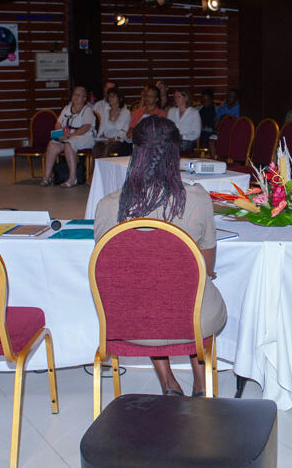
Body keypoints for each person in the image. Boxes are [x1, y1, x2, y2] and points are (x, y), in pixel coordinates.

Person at [92, 117, 226, 397]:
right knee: (189, 289)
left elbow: (110, 273)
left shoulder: (108, 207)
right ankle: (201, 384)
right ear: (175, 153)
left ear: (136, 152)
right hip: (190, 320)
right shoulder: (197, 200)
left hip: (129, 321)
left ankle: (168, 383)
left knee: (146, 291)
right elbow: (206, 268)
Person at [42, 86, 97, 187]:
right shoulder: (67, 108)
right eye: (75, 94)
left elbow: (86, 127)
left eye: (79, 95)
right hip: (67, 135)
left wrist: (70, 136)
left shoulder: (87, 110)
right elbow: (58, 123)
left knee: (68, 144)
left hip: (84, 136)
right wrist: (61, 132)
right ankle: (47, 177)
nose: (76, 97)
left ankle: (72, 178)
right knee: (52, 144)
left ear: (84, 98)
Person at [94, 87, 131, 158]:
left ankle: (106, 169)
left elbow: (124, 131)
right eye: (109, 96)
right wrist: (100, 136)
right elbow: (102, 127)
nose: (110, 98)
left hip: (119, 140)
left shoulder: (126, 113)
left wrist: (113, 139)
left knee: (107, 149)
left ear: (120, 99)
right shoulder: (105, 111)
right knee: (97, 148)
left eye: (113, 96)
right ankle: (95, 169)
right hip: (106, 139)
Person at [167, 88, 201, 153]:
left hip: (187, 142)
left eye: (179, 97)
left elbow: (196, 134)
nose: (176, 99)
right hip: (173, 142)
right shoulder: (171, 111)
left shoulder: (194, 113)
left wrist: (182, 136)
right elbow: (168, 128)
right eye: (175, 97)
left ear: (186, 98)